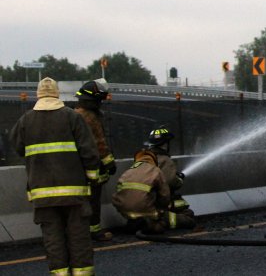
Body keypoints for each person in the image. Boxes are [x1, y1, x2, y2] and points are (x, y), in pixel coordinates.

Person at [9, 77, 101, 276]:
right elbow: (89, 151)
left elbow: (17, 146)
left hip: (42, 193)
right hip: (74, 191)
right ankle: (82, 273)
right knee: (78, 235)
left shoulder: (26, 120)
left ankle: (60, 273)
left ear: (38, 95)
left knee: (53, 237)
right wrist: (93, 176)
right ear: (57, 94)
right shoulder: (72, 117)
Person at [74, 79, 116, 241]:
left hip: (76, 167)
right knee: (93, 200)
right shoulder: (89, 117)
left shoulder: (74, 114)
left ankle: (80, 232)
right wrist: (109, 163)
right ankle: (94, 231)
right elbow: (98, 142)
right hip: (91, 168)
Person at [111, 147, 173, 234]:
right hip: (145, 210)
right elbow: (165, 195)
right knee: (159, 226)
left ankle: (134, 223)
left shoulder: (128, 171)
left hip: (124, 210)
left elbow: (117, 193)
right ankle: (150, 224)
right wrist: (162, 210)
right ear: (153, 159)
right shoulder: (156, 171)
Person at [144, 125, 193, 225]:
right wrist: (179, 179)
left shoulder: (143, 158)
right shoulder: (165, 160)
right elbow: (170, 182)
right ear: (165, 144)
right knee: (188, 215)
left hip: (141, 202)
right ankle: (164, 222)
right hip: (155, 203)